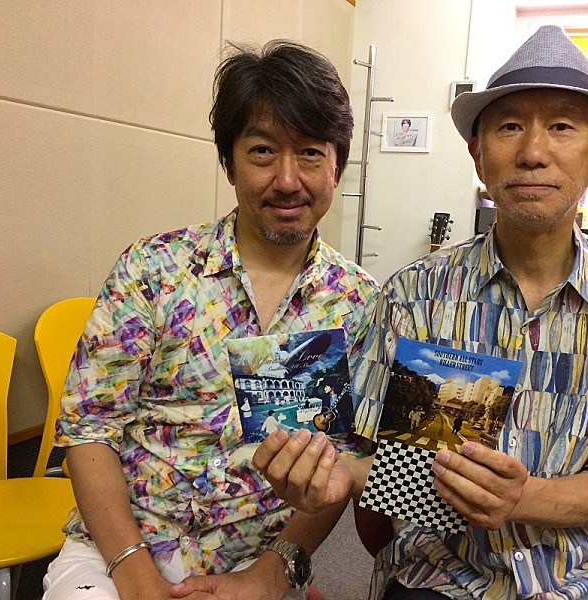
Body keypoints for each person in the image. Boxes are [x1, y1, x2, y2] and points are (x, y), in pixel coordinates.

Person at [253, 25, 588, 600]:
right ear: (478, 156)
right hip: (444, 572)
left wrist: (523, 497)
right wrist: (333, 474)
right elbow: (381, 460)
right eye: (509, 127)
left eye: (562, 126)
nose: (533, 152)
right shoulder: (415, 294)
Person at [43, 40, 378, 600]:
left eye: (310, 154)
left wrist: (272, 572)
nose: (288, 179)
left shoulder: (359, 304)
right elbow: (89, 428)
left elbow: (342, 460)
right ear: (229, 162)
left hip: (259, 562)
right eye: (263, 151)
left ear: (336, 166)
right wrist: (136, 576)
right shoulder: (153, 269)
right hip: (120, 549)